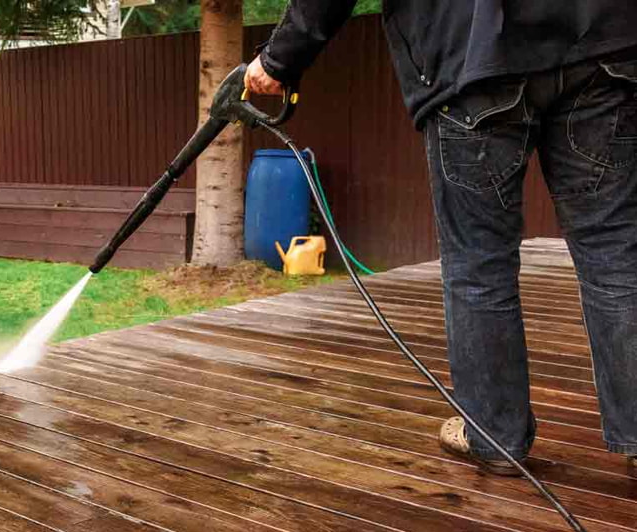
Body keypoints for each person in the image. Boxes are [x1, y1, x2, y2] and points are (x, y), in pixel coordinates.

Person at [244, 1, 637, 476]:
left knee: (479, 265)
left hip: (472, 60)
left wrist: (278, 60)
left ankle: (495, 437)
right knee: (616, 252)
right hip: (601, 48)